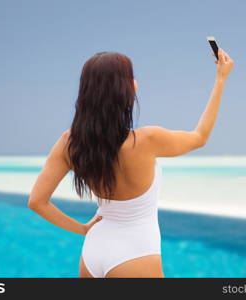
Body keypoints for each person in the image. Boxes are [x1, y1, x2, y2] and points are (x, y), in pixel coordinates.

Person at [28, 48, 234, 278]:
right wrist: (221, 78)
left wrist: (83, 230)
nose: (135, 82)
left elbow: (37, 202)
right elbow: (200, 137)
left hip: (93, 250)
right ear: (122, 89)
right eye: (131, 77)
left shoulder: (70, 142)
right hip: (135, 253)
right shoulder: (148, 140)